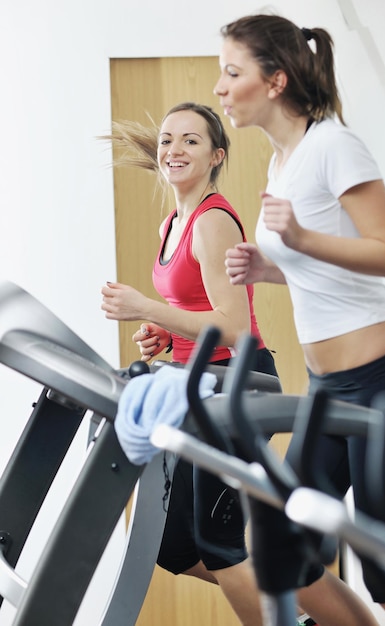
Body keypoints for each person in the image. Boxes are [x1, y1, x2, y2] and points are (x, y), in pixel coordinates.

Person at [214, 11, 385, 626]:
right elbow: (323, 268)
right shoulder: (283, 162)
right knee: (278, 539)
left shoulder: (333, 145)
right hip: (327, 390)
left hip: (382, 384)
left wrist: (297, 238)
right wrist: (269, 267)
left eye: (231, 72)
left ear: (274, 81)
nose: (220, 88)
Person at [101, 102, 279, 626]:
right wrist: (163, 328)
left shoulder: (213, 221)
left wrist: (146, 308)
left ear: (216, 155)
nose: (173, 150)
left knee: (217, 541)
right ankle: (299, 599)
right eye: (166, 140)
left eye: (190, 141)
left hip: (240, 386)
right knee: (174, 546)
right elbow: (195, 308)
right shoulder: (171, 224)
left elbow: (236, 327)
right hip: (196, 386)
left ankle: (291, 615)